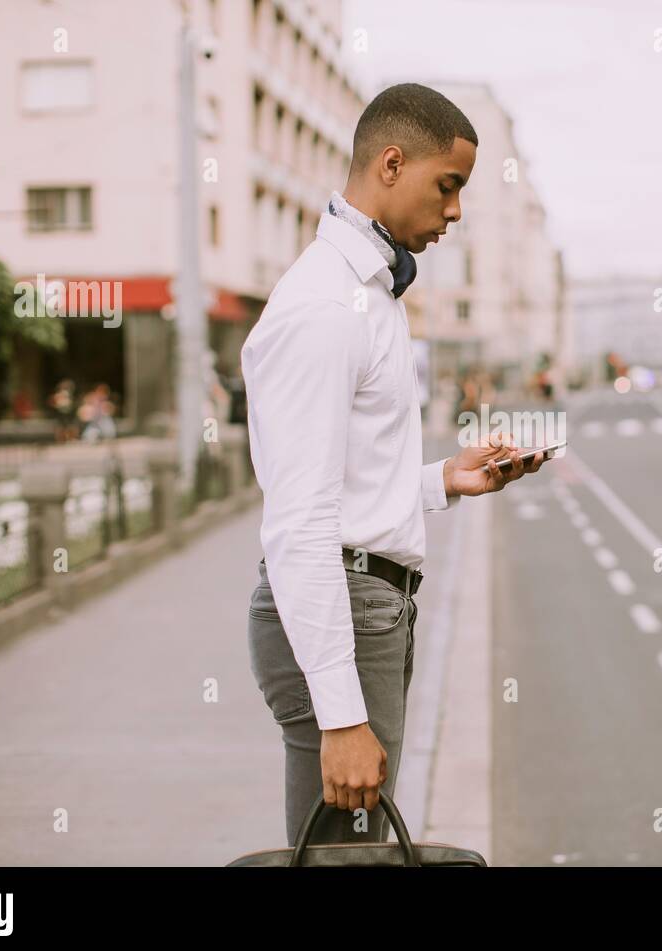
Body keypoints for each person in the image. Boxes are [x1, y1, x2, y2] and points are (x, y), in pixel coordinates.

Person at [240, 83, 546, 850]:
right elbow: (302, 521)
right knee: (347, 857)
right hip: (344, 605)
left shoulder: (366, 294)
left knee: (353, 855)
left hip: (365, 603)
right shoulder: (325, 305)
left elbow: (344, 487)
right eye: (448, 186)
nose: (456, 211)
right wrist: (342, 717)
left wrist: (445, 479)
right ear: (389, 162)